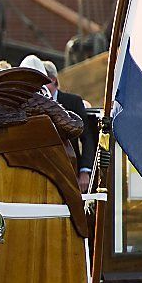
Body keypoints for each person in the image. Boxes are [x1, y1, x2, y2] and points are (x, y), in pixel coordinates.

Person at [43, 60, 98, 193]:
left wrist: (84, 171)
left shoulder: (72, 102)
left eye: (43, 82)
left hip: (71, 168)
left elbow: (86, 138)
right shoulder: (35, 102)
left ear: (53, 80)